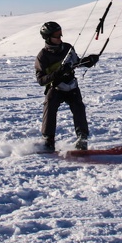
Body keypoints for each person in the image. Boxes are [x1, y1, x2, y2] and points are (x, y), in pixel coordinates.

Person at [34, 22, 99, 152]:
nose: (60, 38)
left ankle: (82, 139)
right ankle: (48, 141)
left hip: (71, 86)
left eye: (60, 34)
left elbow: (76, 62)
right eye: (56, 36)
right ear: (47, 38)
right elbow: (41, 80)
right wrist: (58, 73)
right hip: (56, 88)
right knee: (49, 107)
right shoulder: (42, 56)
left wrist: (89, 61)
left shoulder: (68, 48)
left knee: (79, 108)